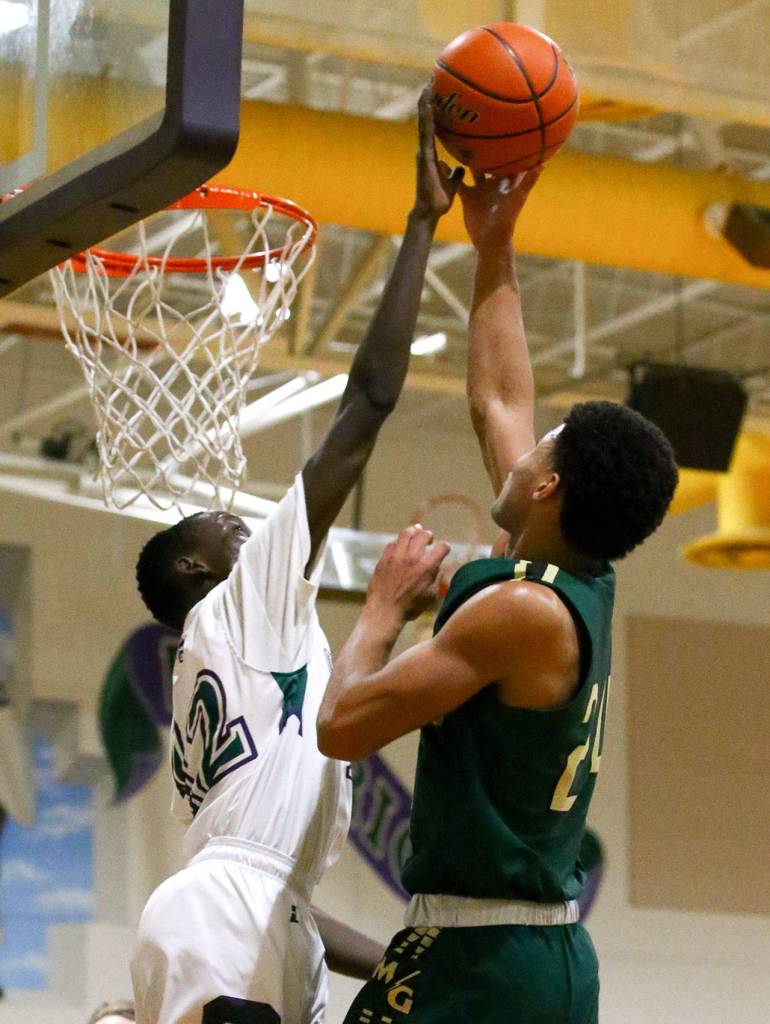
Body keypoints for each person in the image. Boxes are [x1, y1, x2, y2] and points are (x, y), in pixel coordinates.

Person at [130, 90, 464, 1024]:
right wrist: (419, 225)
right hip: (231, 915)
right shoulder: (236, 606)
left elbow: (289, 902)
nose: (245, 528)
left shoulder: (250, 653)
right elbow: (365, 405)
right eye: (221, 528)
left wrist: (413, 958)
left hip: (249, 916)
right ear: (198, 571)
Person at [317, 167, 679, 1023]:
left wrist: (379, 612)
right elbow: (499, 397)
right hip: (510, 949)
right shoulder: (571, 575)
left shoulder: (522, 615)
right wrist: (494, 243)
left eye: (541, 448)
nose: (522, 446)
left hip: (488, 957)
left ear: (549, 488)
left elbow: (342, 727)